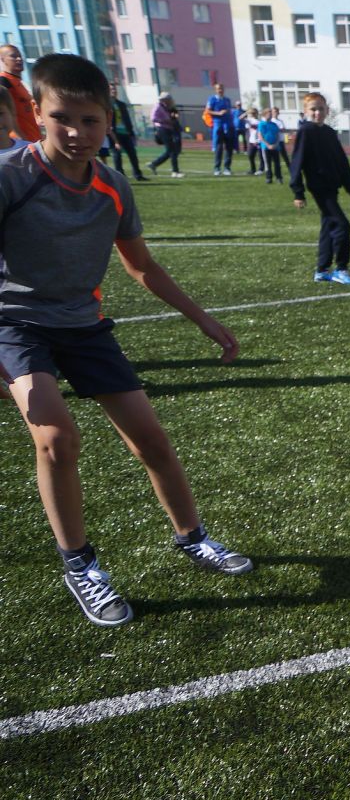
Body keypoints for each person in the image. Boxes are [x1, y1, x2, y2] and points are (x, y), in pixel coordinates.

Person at [0, 53, 255, 628]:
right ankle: (80, 565)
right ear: (36, 114)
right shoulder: (11, 176)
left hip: (85, 327)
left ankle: (192, 537)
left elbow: (142, 267)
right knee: (58, 439)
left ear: (108, 120)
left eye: (90, 120)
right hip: (15, 326)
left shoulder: (112, 186)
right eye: (62, 117)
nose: (77, 132)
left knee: (152, 441)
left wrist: (203, 319)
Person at [288, 91, 350, 286]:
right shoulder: (306, 131)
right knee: (342, 225)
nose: (317, 113)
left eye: (321, 109)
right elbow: (297, 162)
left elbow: (341, 161)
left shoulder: (329, 132)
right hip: (319, 186)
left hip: (332, 186)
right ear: (305, 111)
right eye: (313, 109)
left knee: (328, 226)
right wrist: (298, 192)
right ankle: (341, 269)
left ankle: (322, 270)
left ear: (327, 110)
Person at [103, 83, 147, 182]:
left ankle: (138, 174)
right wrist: (113, 138)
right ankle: (120, 175)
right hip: (114, 133)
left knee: (132, 153)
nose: (114, 91)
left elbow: (127, 119)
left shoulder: (121, 104)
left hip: (125, 132)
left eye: (115, 89)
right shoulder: (106, 104)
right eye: (111, 89)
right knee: (117, 154)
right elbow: (107, 122)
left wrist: (131, 132)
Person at [0, 44, 39, 145]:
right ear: (3, 60)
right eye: (13, 56)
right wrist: (22, 139)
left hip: (33, 139)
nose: (19, 59)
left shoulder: (17, 82)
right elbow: (8, 113)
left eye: (20, 56)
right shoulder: (3, 82)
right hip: (22, 143)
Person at [205, 81, 236, 175]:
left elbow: (229, 111)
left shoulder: (227, 100)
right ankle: (217, 168)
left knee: (229, 147)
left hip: (228, 124)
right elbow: (208, 111)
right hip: (218, 124)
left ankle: (227, 168)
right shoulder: (212, 99)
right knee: (219, 147)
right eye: (218, 89)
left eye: (222, 89)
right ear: (216, 90)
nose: (220, 90)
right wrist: (218, 113)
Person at [150, 93, 183, 177]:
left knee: (171, 151)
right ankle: (175, 171)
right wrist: (165, 120)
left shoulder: (165, 107)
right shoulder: (158, 107)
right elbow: (153, 118)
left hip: (168, 129)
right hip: (162, 129)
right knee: (172, 151)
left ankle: (154, 164)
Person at [257, 107, 287, 184]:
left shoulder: (274, 124)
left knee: (277, 163)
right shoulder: (261, 124)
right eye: (268, 113)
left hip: (275, 147)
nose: (270, 114)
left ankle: (279, 177)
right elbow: (260, 136)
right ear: (265, 114)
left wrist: (276, 144)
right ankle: (269, 177)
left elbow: (277, 135)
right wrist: (268, 145)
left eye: (271, 113)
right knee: (268, 163)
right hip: (266, 147)